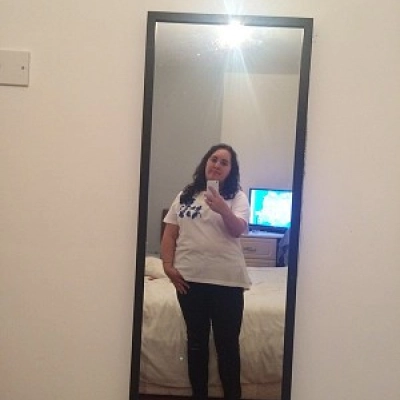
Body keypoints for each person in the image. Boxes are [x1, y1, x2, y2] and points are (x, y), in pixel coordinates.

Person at [161, 143, 251, 400]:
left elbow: (237, 230)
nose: (217, 165)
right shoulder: (185, 195)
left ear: (231, 170)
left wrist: (222, 207)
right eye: (214, 159)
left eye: (224, 162)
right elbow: (170, 234)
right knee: (196, 344)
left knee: (227, 347)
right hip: (189, 282)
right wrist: (167, 266)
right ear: (205, 163)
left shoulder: (237, 197)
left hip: (227, 283)